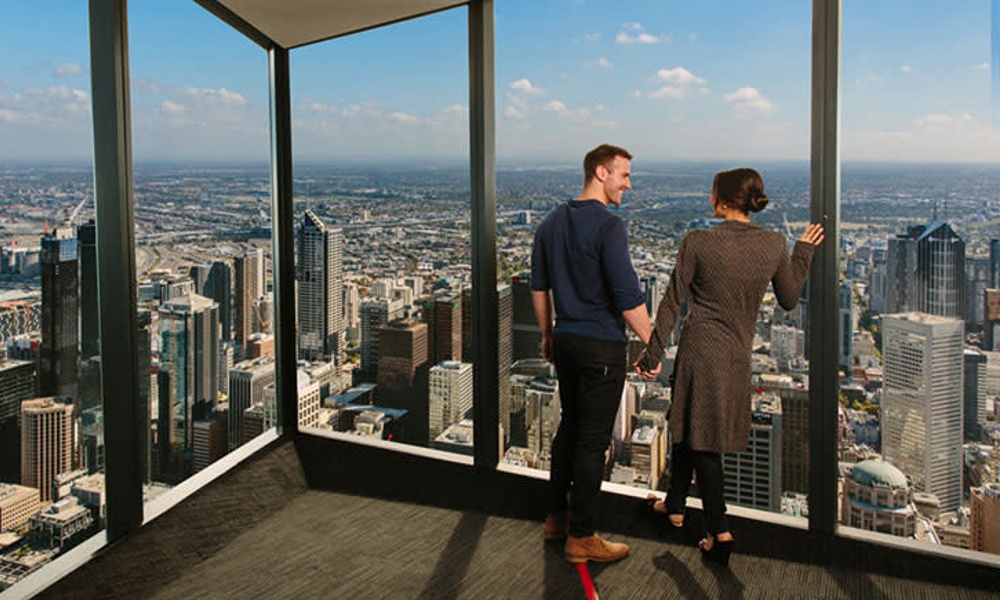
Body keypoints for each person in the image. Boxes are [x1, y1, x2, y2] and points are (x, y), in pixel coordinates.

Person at [636, 167, 823, 567]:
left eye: (711, 192)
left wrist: (652, 354)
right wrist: (802, 252)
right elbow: (789, 299)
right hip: (737, 353)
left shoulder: (698, 241)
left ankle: (720, 533)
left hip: (700, 349)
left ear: (722, 198)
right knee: (689, 423)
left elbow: (670, 302)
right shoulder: (774, 244)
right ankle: (674, 506)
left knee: (701, 437)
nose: (708, 197)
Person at [531, 143, 653, 563]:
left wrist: (547, 333)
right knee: (591, 441)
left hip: (565, 341)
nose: (628, 184)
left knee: (569, 430)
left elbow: (539, 288)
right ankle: (582, 536)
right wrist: (655, 346)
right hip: (601, 344)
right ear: (601, 173)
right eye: (624, 175)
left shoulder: (549, 223)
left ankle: (555, 519)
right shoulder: (609, 226)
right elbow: (627, 298)